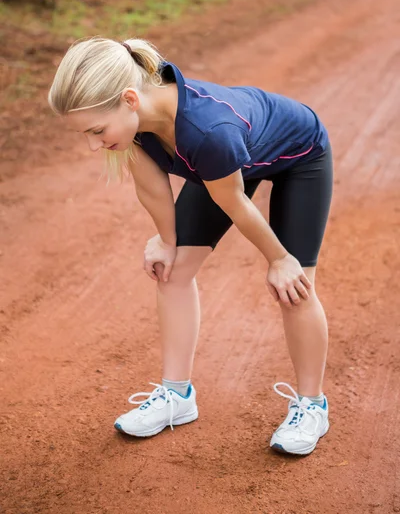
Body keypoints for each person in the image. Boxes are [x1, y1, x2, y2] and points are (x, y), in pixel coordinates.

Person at [48, 36, 333, 456]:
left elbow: (233, 201)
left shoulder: (207, 131)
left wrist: (279, 259)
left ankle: (313, 406)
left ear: (129, 99)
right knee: (173, 270)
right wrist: (166, 241)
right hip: (228, 163)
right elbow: (152, 188)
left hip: (298, 156)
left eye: (96, 131)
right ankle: (177, 396)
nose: (93, 145)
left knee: (295, 288)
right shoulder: (136, 124)